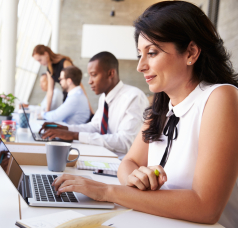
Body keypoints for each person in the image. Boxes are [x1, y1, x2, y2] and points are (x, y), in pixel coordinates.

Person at [49, 2, 238, 227]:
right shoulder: (161, 106)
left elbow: (206, 207)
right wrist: (134, 178)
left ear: (191, 52)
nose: (140, 66)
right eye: (140, 54)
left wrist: (106, 191)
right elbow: (129, 162)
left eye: (151, 53)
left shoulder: (220, 97)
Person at [40, 51, 149, 159]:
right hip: (101, 155)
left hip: (120, 162)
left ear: (111, 73)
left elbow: (125, 142)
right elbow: (95, 127)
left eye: (94, 75)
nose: (89, 81)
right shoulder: (104, 97)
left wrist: (75, 135)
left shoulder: (134, 97)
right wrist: (66, 129)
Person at [32, 45, 94, 114]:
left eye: (40, 60)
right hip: (66, 97)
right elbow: (50, 91)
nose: (40, 63)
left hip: (74, 97)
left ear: (46, 54)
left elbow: (78, 83)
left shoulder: (64, 63)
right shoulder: (49, 69)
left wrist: (90, 109)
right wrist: (47, 111)